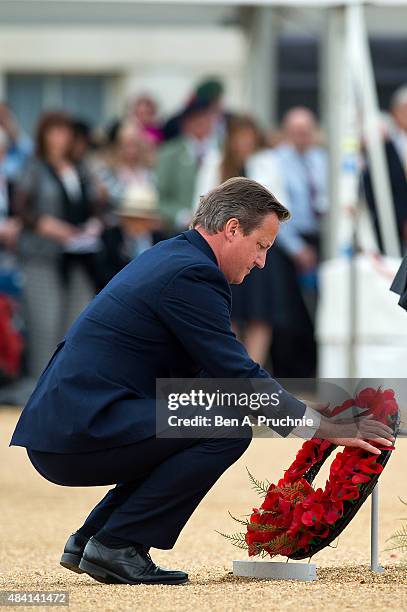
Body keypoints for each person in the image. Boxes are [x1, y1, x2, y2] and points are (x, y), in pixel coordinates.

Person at [9, 177, 394, 586]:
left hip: (75, 421)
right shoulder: (192, 274)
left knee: (213, 416)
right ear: (231, 230)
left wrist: (313, 413)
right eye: (261, 246)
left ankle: (95, 538)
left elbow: (218, 381)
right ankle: (119, 544)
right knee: (226, 429)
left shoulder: (175, 258)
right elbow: (238, 376)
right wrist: (327, 427)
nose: (262, 262)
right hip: (79, 431)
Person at [13, 111, 102, 378]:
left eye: (65, 132)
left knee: (78, 324)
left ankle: (68, 388)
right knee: (45, 326)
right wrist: (47, 226)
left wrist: (94, 222)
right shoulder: (34, 166)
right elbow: (21, 206)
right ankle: (40, 393)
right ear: (44, 135)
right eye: (55, 131)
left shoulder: (79, 167)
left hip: (78, 255)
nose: (61, 138)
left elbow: (94, 203)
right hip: (42, 256)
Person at [157, 98, 215, 233]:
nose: (202, 124)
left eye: (206, 119)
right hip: (180, 231)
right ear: (186, 123)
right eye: (196, 120)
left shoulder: (221, 151)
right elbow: (160, 196)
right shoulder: (169, 153)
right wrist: (181, 216)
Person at [363, 86, 407, 254]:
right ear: (395, 113)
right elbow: (375, 186)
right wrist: (401, 219)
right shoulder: (383, 146)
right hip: (390, 226)